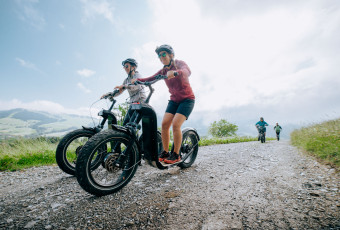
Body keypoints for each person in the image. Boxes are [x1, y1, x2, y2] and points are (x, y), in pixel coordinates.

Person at [132, 44, 195, 164]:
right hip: (174, 100)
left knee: (176, 125)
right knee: (165, 124)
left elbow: (187, 71)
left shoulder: (179, 63)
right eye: (159, 56)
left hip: (187, 100)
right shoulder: (163, 71)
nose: (161, 57)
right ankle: (166, 152)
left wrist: (176, 72)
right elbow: (151, 78)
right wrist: (138, 80)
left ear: (171, 55)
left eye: (163, 54)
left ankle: (176, 155)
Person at [102, 58, 146, 125]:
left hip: (141, 103)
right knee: (125, 124)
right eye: (124, 67)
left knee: (131, 125)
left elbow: (136, 87)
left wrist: (124, 86)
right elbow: (119, 91)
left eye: (126, 66)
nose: (125, 68)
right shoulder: (126, 80)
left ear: (133, 67)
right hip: (133, 104)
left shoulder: (137, 76)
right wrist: (109, 94)